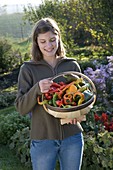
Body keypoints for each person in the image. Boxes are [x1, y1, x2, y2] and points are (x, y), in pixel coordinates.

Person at [15, 17, 84, 170]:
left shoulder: (71, 65)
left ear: (58, 37)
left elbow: (83, 97)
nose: (49, 45)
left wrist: (77, 114)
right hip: (43, 140)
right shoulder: (28, 69)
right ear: (36, 43)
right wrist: (37, 88)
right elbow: (21, 107)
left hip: (72, 137)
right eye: (43, 41)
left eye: (52, 39)